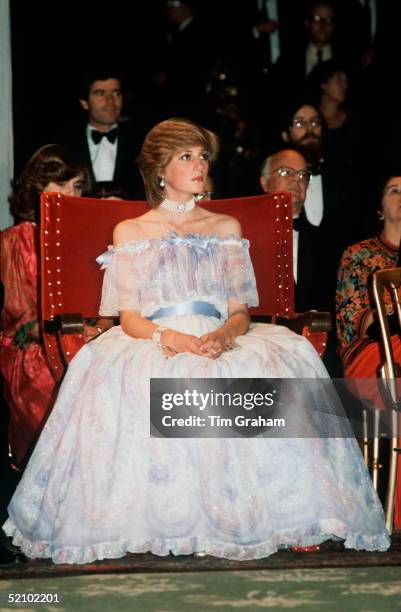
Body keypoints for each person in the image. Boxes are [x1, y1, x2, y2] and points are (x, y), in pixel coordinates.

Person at [4, 119, 389, 565]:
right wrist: (173, 337)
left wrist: (224, 334)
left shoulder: (226, 226)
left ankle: (297, 515)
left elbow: (240, 309)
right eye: (186, 156)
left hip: (220, 332)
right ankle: (162, 521)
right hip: (156, 336)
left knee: (281, 360)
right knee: (150, 377)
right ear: (160, 170)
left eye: (203, 156)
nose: (199, 164)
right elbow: (127, 317)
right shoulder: (131, 231)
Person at [0, 145, 90, 467]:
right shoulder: (19, 238)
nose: (70, 193)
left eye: (77, 185)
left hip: (80, 345)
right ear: (38, 187)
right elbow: (23, 323)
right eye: (61, 183)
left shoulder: (83, 238)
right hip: (33, 354)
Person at [336, 172, 401, 529]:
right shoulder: (359, 255)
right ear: (380, 208)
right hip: (371, 356)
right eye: (394, 191)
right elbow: (353, 321)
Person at [260, 148, 329, 312]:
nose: (295, 180)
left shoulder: (326, 241)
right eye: (286, 172)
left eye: (302, 175)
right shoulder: (246, 238)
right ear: (264, 182)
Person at [66, 68, 144, 200]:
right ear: (84, 103)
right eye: (100, 94)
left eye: (116, 93)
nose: (110, 101)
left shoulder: (142, 142)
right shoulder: (66, 145)